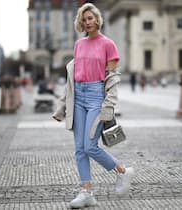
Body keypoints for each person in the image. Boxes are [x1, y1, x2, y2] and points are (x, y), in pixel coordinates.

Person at [52, 3, 134, 209]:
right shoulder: (79, 45)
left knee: (90, 146)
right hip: (78, 96)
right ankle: (86, 192)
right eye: (84, 19)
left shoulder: (108, 44)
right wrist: (62, 106)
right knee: (80, 149)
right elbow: (71, 79)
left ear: (97, 19)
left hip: (96, 96)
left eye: (90, 18)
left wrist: (110, 105)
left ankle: (122, 171)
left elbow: (113, 78)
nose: (87, 22)